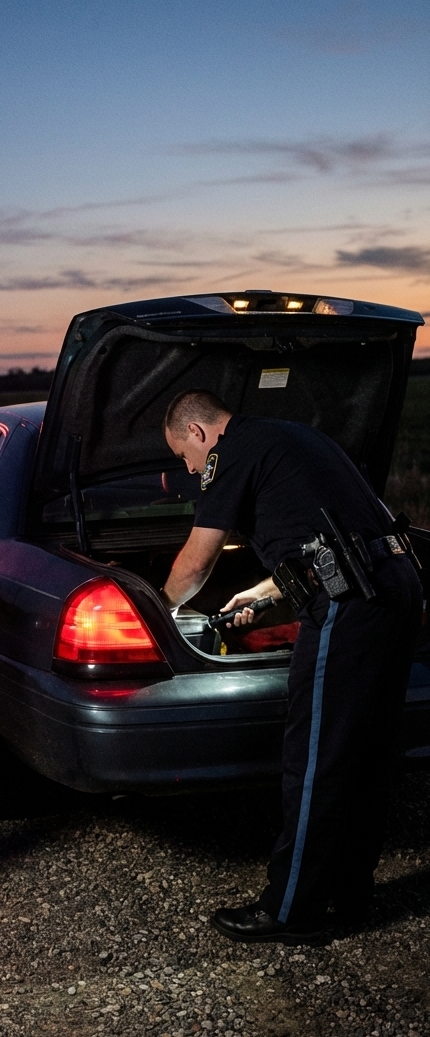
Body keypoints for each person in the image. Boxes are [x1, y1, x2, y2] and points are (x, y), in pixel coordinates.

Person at [160, 389, 423, 946]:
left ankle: (288, 909)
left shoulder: (227, 454)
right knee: (367, 751)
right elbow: (319, 542)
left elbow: (199, 558)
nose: (189, 469)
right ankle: (351, 893)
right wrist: (258, 596)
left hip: (351, 602)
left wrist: (160, 608)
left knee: (314, 756)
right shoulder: (291, 435)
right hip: (397, 586)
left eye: (184, 456)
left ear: (201, 434)